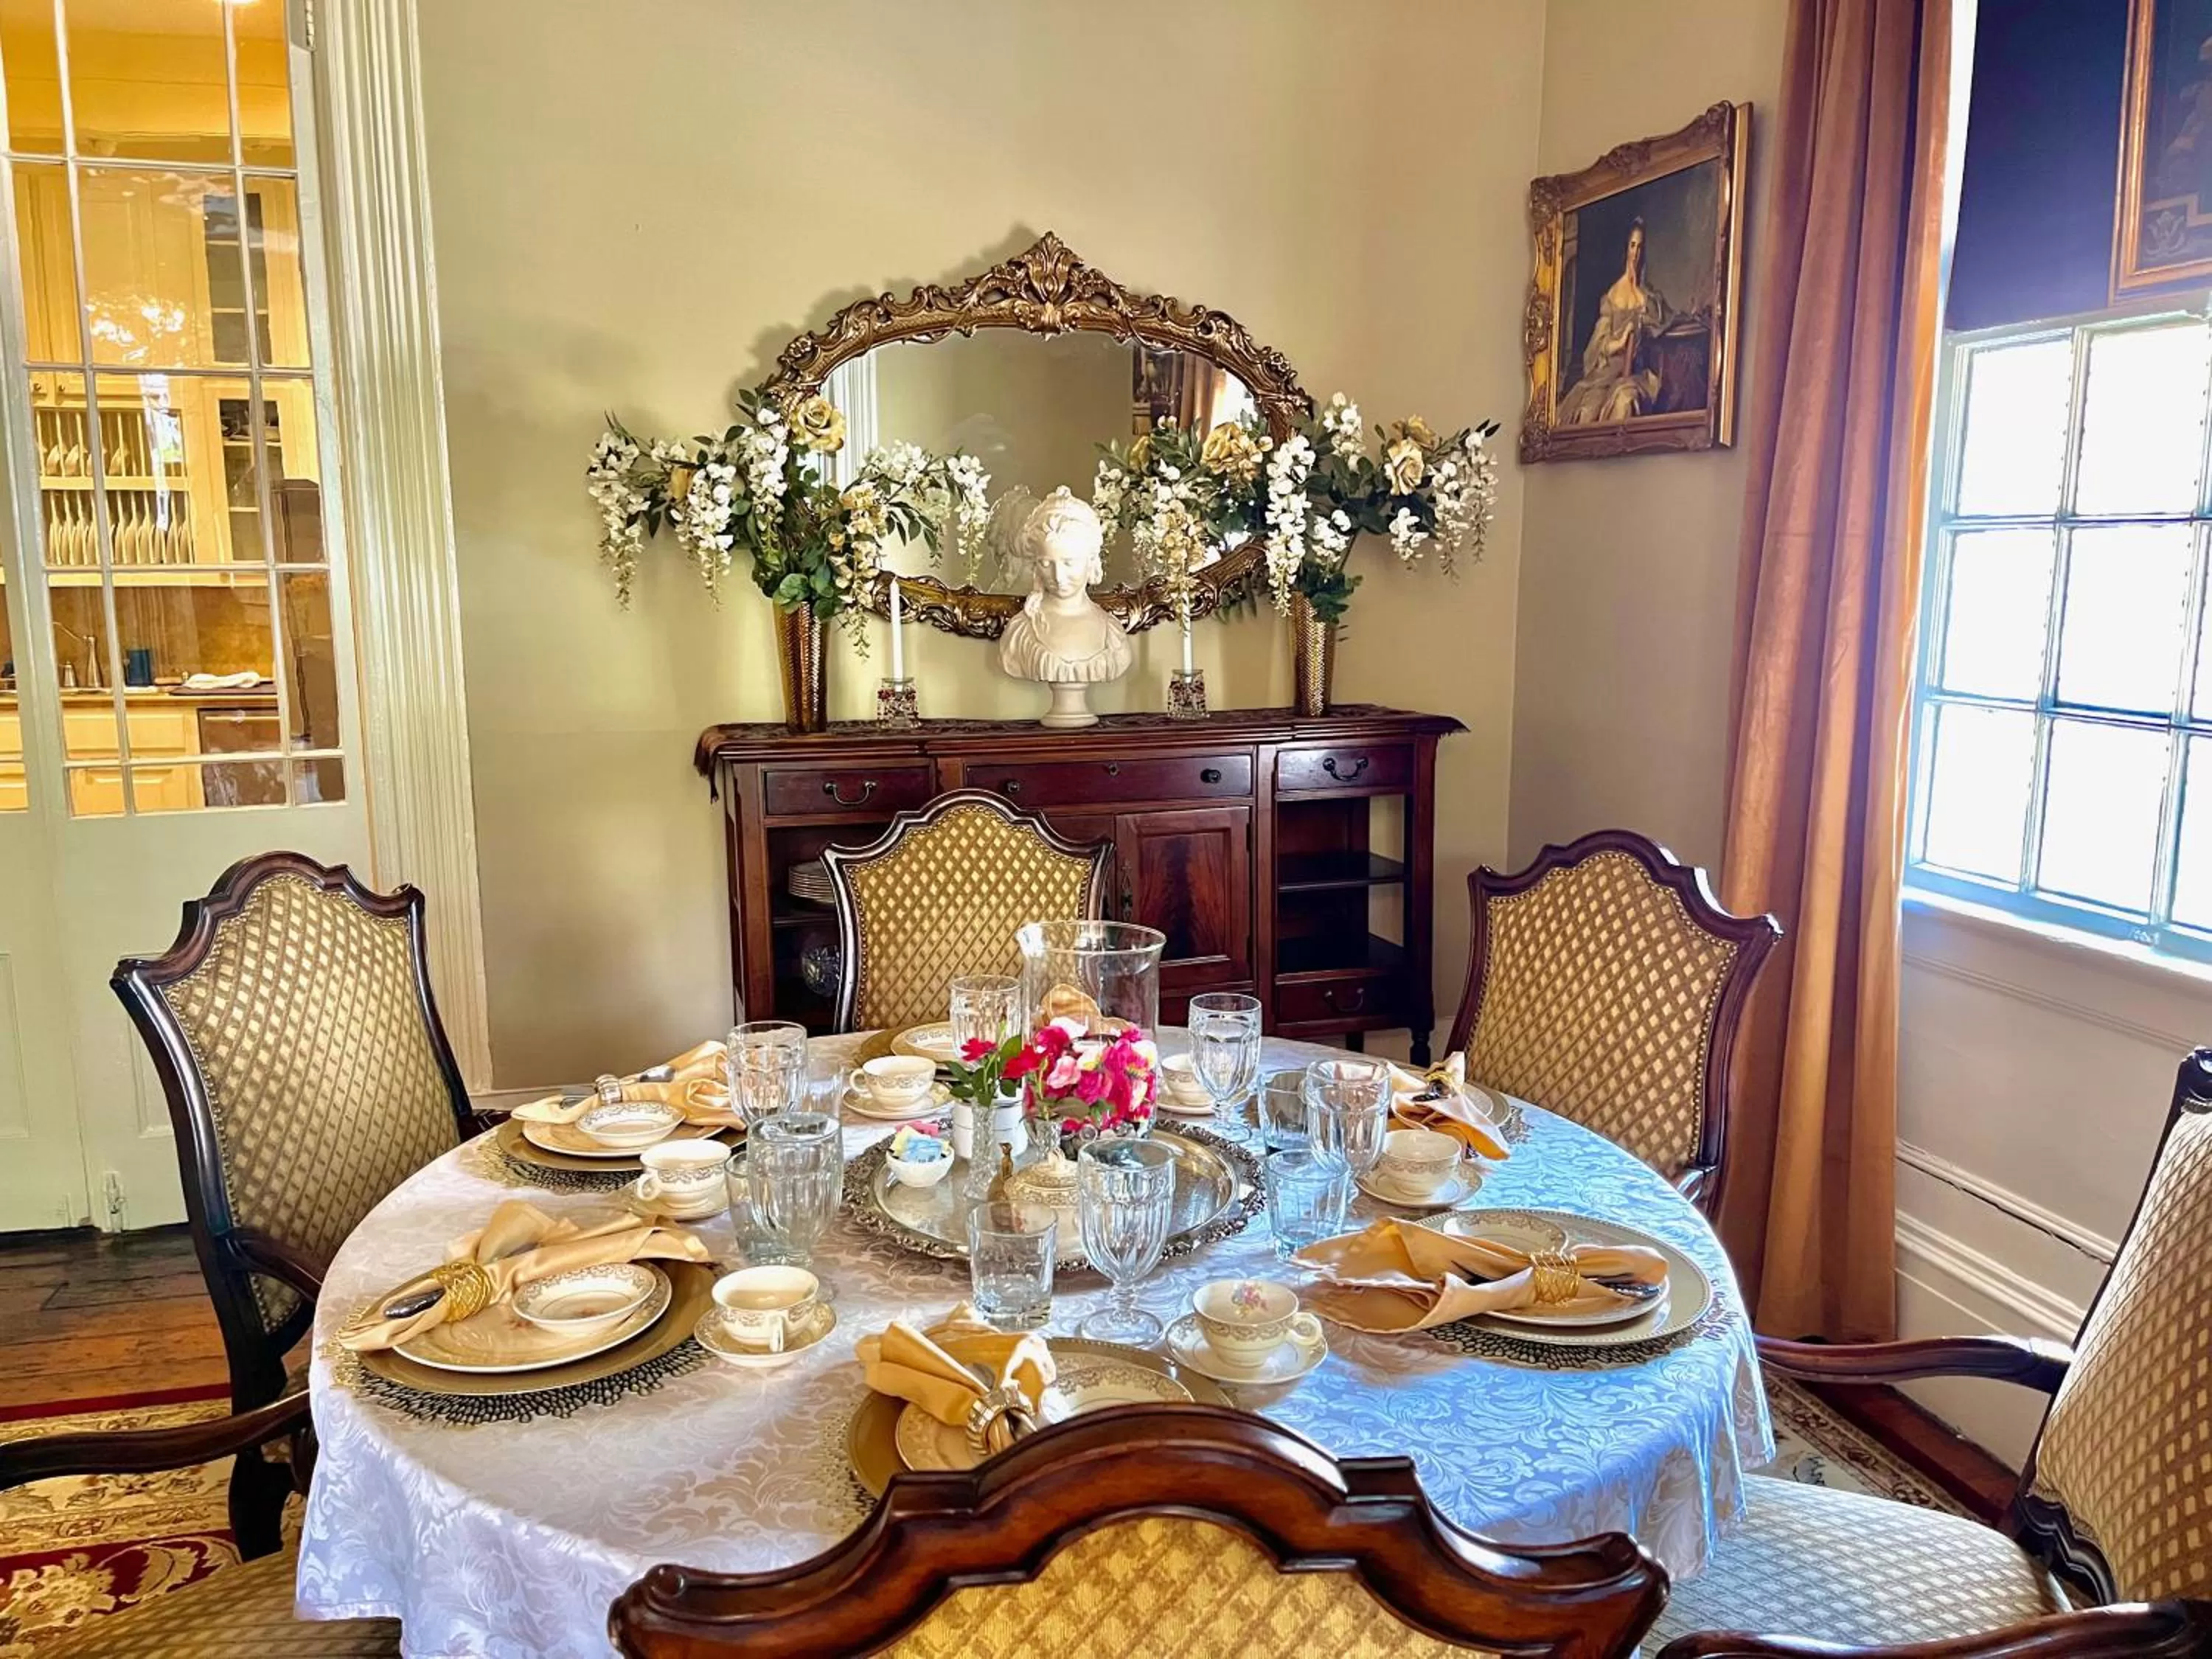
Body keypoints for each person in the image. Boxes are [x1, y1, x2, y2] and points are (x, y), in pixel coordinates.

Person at [996, 488, 1134, 695]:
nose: (1058, 576)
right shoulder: (1020, 632)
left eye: (1069, 563)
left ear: (1091, 561)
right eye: (1045, 563)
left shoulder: (1112, 632)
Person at [1558, 218, 1674, 426]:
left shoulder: (1648, 297)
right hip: (1605, 375)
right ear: (1626, 249)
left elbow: (1664, 325)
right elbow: (1598, 346)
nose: (1636, 253)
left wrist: (1642, 326)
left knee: (1625, 401)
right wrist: (1620, 342)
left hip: (1634, 374)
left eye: (1640, 247)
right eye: (1632, 245)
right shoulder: (1612, 295)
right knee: (1586, 414)